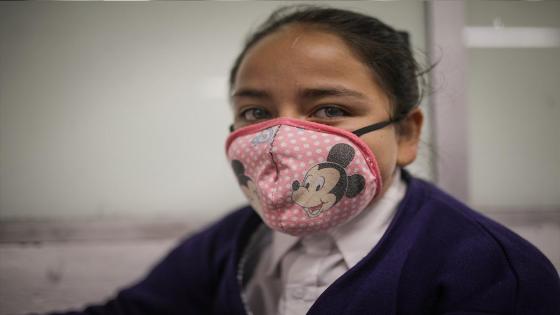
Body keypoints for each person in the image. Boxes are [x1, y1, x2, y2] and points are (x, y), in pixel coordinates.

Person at [42, 5, 559, 315]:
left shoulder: (491, 272)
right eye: (254, 111)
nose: (281, 137)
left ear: (405, 133)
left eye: (329, 108)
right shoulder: (233, 241)